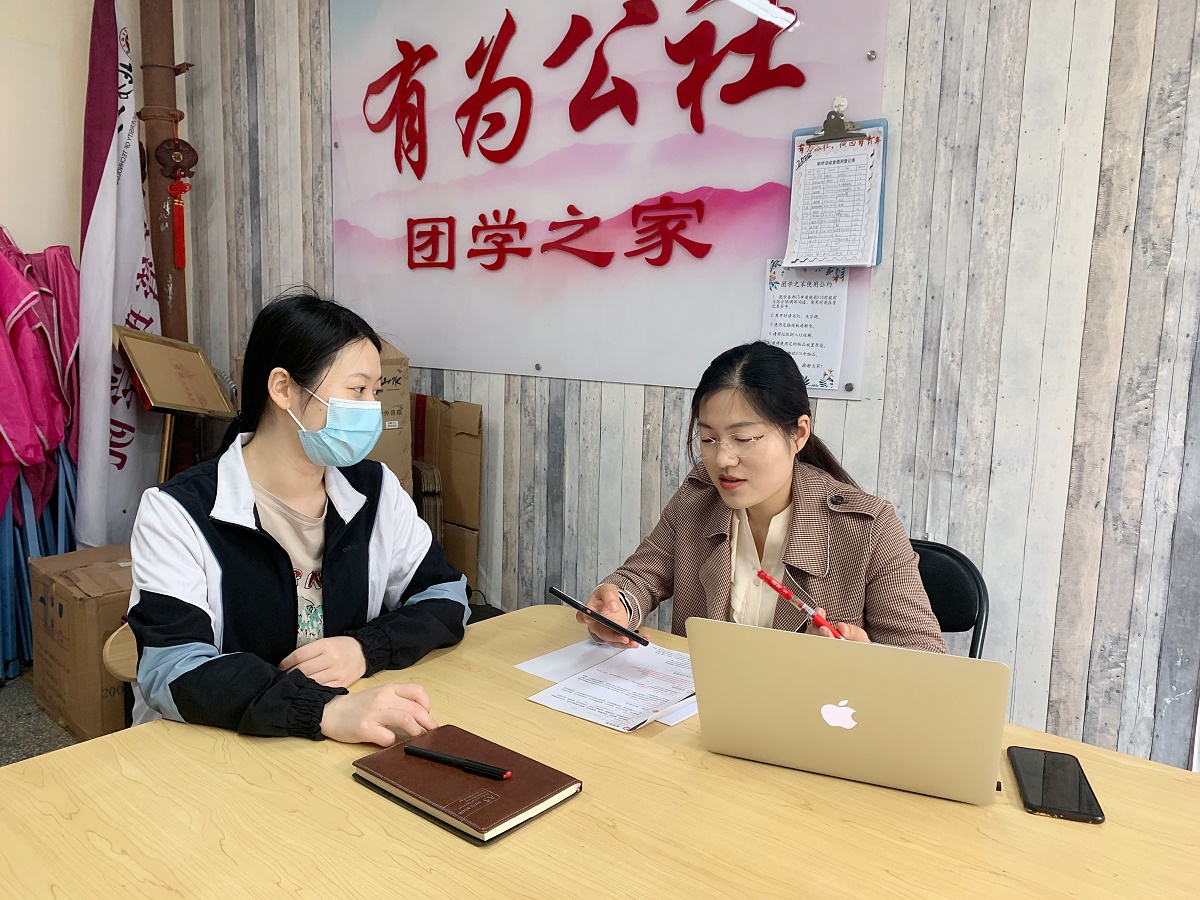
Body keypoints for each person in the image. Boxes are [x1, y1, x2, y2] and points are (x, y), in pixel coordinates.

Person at [127, 291, 469, 747]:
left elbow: (446, 594)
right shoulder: (176, 512)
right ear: (283, 388)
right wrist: (321, 709)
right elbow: (173, 669)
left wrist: (366, 648)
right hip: (216, 746)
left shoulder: (374, 489)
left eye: (376, 392)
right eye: (357, 390)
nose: (370, 408)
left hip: (331, 740)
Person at [578, 341, 946, 654]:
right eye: (708, 439)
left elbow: (927, 664)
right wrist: (616, 605)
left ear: (798, 434)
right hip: (702, 706)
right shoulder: (697, 499)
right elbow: (641, 578)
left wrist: (865, 661)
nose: (722, 459)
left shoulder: (869, 528)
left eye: (743, 439)